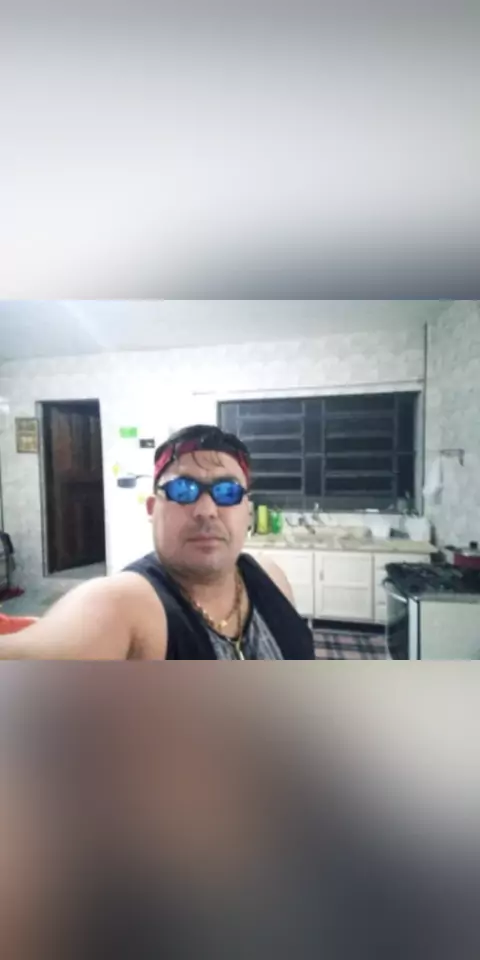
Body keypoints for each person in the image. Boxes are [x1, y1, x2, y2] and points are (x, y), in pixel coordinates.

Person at [0, 425, 315, 659]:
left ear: (247, 510)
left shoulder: (271, 577)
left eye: (227, 492)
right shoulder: (125, 603)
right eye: (182, 490)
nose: (206, 510)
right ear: (152, 509)